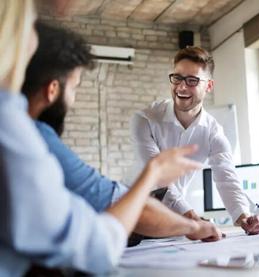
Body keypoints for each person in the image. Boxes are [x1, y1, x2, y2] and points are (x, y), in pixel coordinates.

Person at [0, 1, 206, 275]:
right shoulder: (23, 134)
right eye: (74, 88)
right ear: (52, 90)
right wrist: (154, 176)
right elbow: (95, 245)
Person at [22, 21, 221, 242]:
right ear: (52, 90)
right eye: (75, 87)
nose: (73, 98)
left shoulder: (15, 130)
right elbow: (126, 208)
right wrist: (194, 225)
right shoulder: (38, 142)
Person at [130, 46, 259, 235]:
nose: (181, 87)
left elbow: (226, 178)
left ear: (208, 86)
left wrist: (244, 217)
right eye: (177, 78)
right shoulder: (145, 120)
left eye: (192, 80)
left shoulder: (213, 132)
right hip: (132, 218)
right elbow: (158, 177)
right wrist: (194, 220)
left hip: (173, 223)